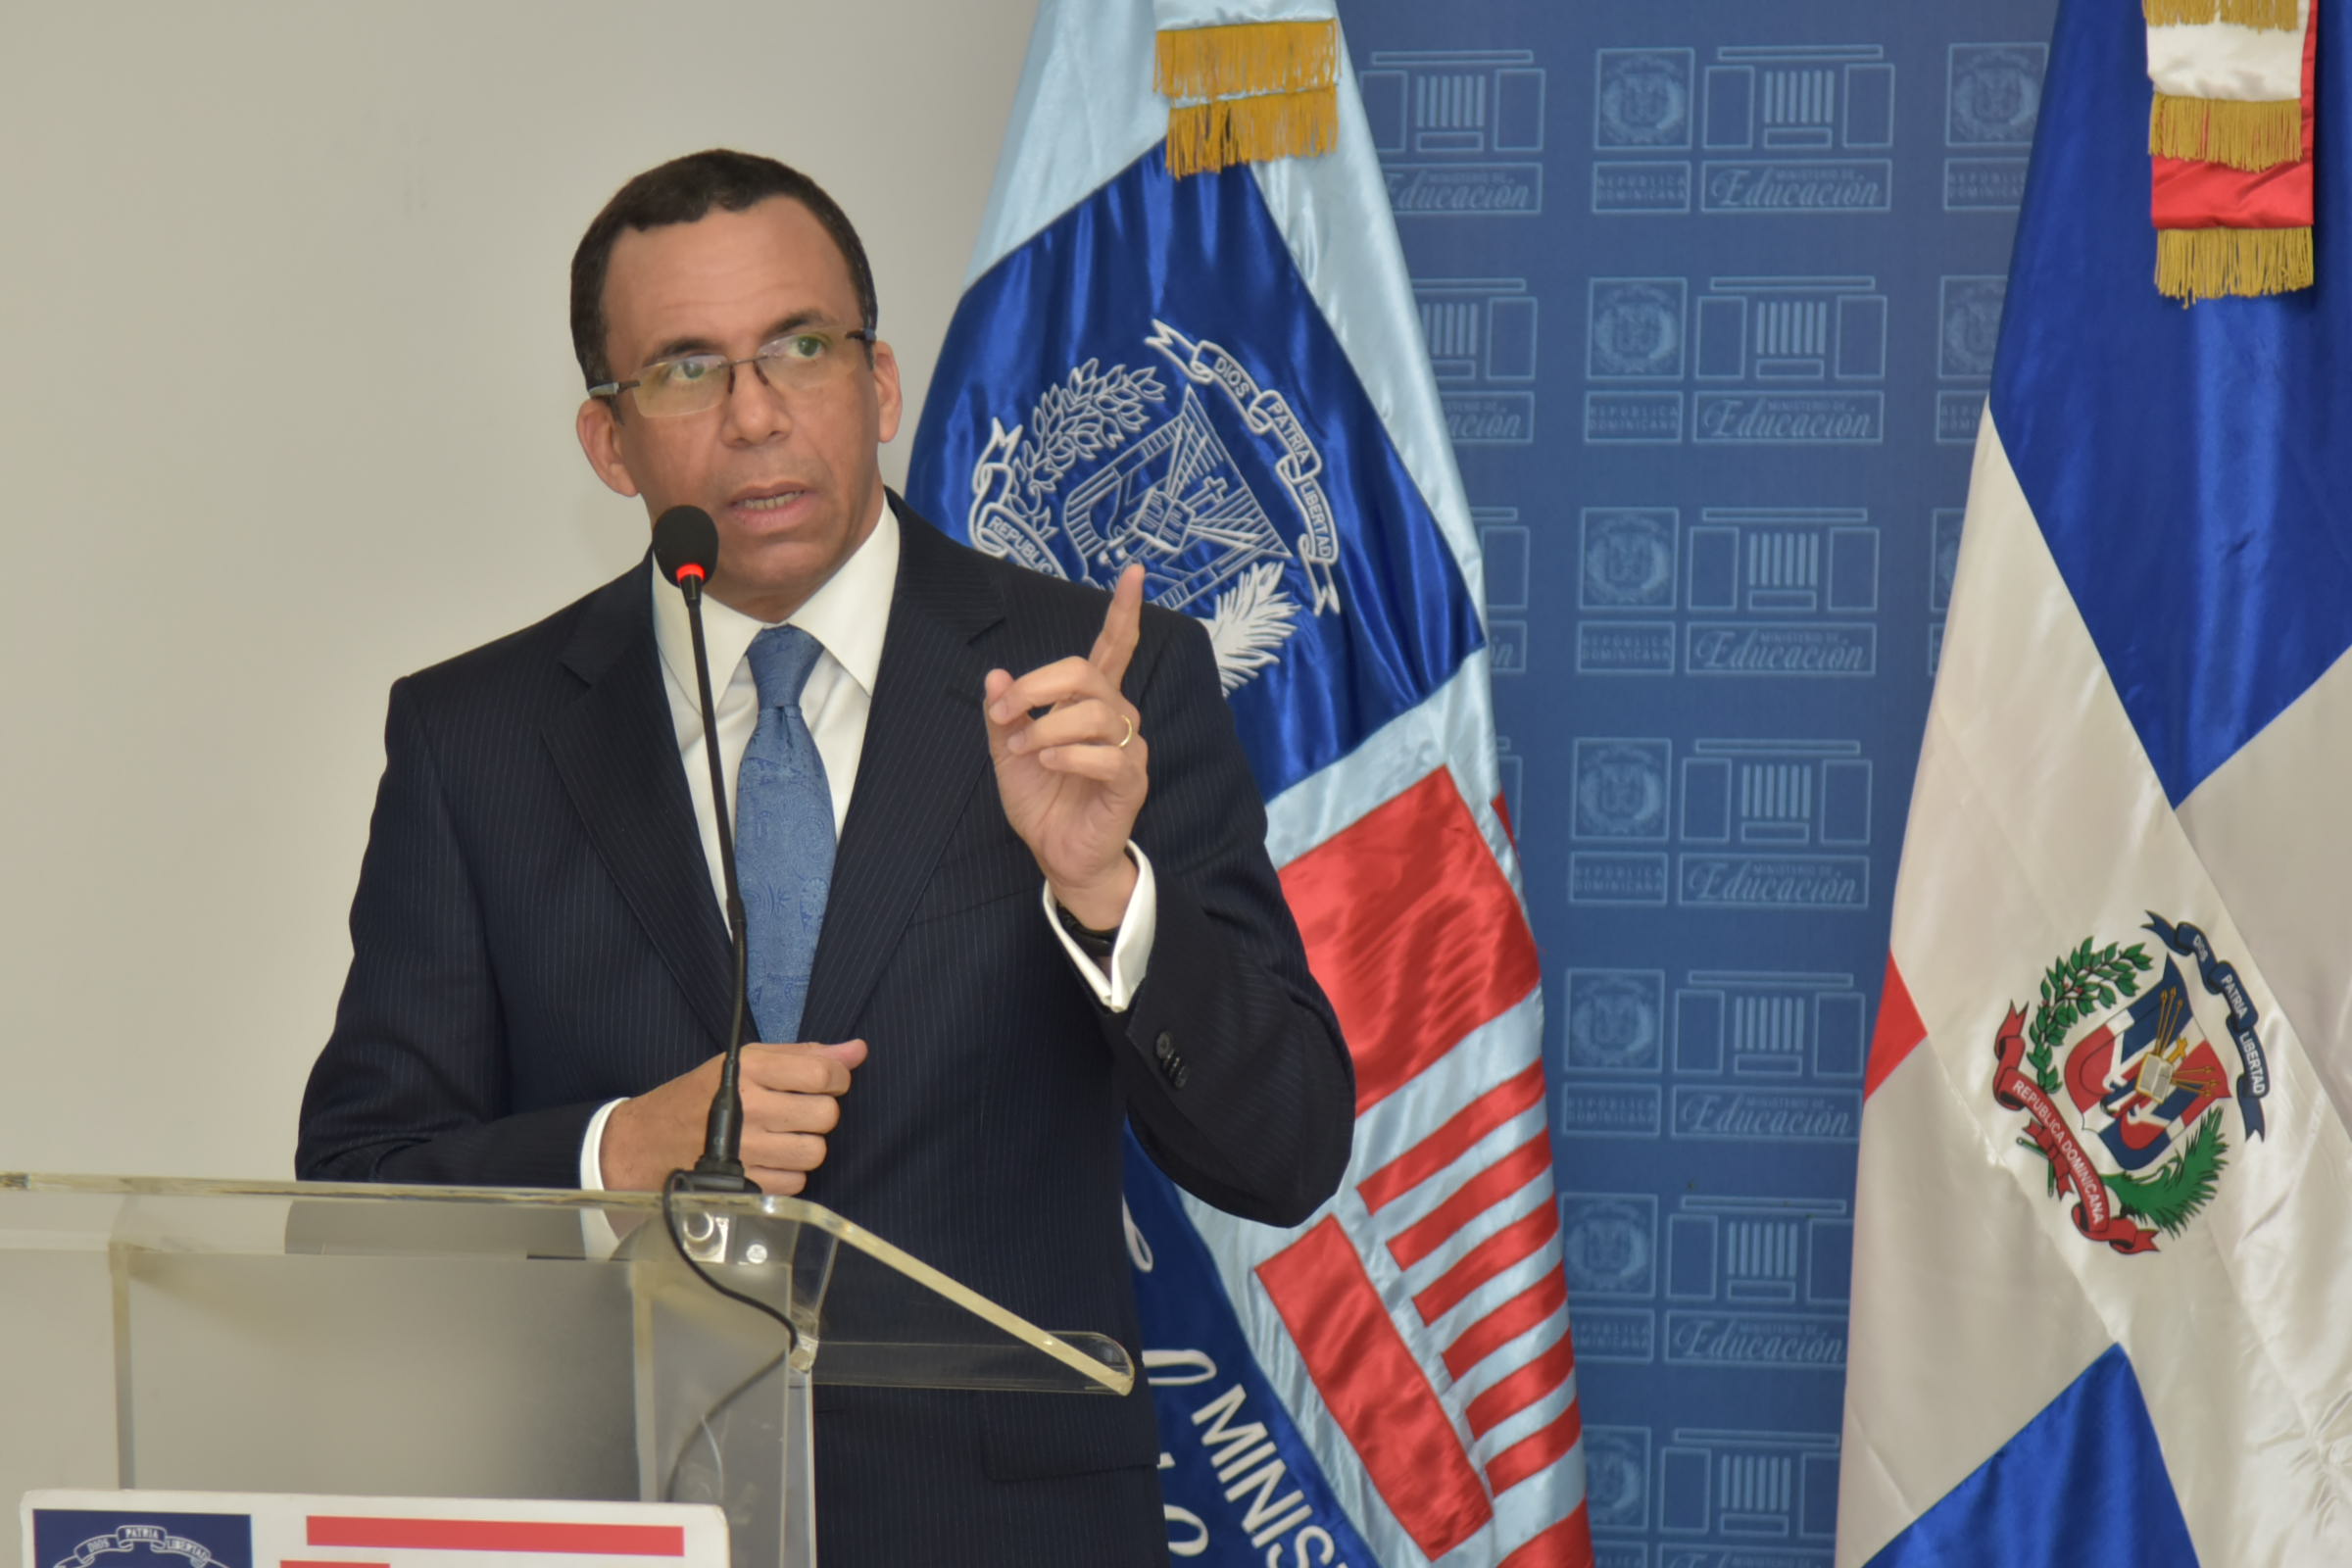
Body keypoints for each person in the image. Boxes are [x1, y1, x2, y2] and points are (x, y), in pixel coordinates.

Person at [295, 149, 1354, 1563]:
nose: (753, 415)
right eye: (684, 369)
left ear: (882, 384)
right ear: (609, 442)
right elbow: (355, 1215)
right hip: (618, 1528)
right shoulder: (476, 740)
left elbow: (1284, 1148)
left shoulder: (1098, 682)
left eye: (800, 348)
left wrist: (1107, 896)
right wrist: (616, 1154)